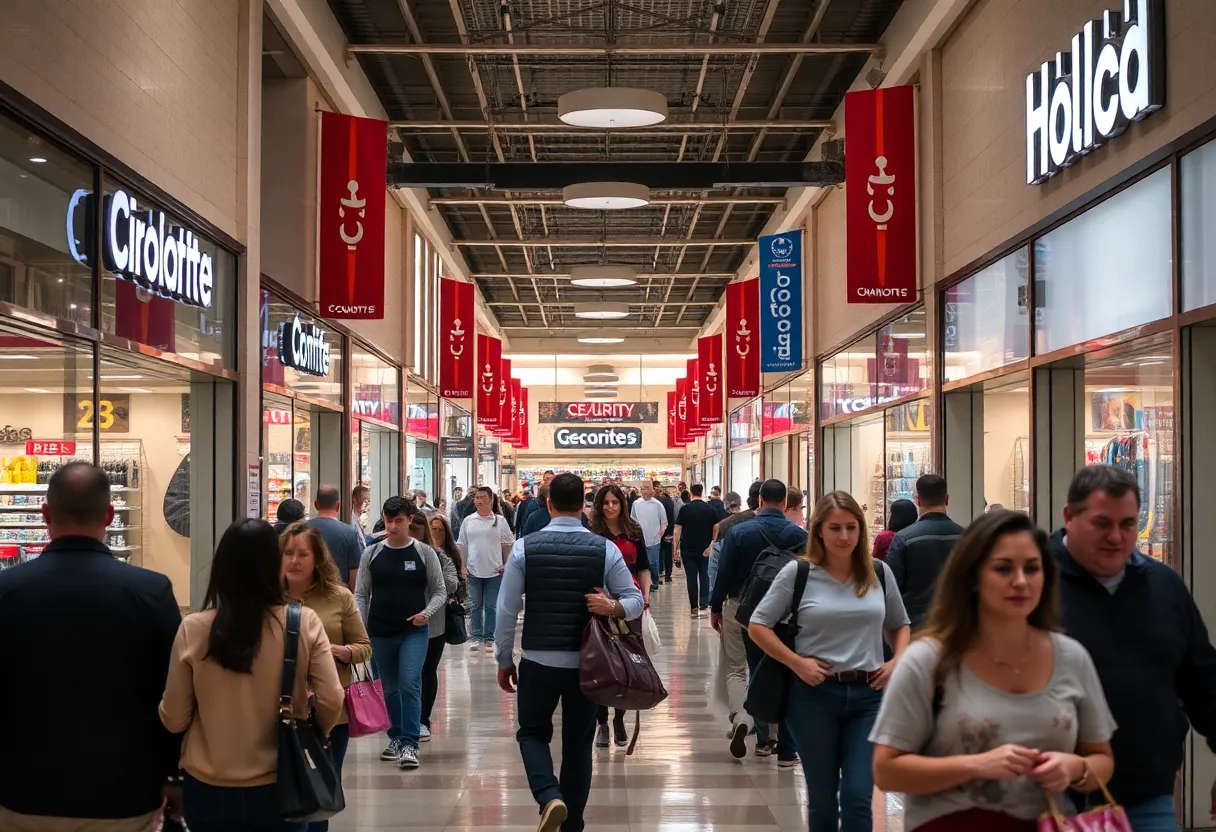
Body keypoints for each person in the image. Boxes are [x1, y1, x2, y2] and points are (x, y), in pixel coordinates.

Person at [871, 510, 1116, 832]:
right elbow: (887, 771)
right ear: (972, 577)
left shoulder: (1071, 657)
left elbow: (1102, 759)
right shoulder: (927, 661)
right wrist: (977, 764)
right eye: (1003, 568)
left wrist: (1076, 768)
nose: (1020, 581)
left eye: (1032, 568)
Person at [0, 462, 183, 831]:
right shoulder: (152, 592)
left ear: (46, 513)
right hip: (123, 791)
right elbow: (173, 694)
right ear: (110, 515)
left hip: (21, 789)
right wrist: (173, 776)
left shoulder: (7, 591)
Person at [1051, 464, 1216, 831]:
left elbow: (1203, 682)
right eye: (1101, 523)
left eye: (1127, 524)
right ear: (1069, 517)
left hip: (1147, 796)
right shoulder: (1033, 584)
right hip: (1051, 801)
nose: (1115, 537)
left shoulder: (1164, 587)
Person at [161, 518, 344, 832]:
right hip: (282, 783)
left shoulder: (194, 629)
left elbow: (174, 717)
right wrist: (319, 731)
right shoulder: (303, 623)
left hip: (208, 787)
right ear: (275, 566)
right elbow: (331, 698)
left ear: (221, 568)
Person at [748, 491, 910, 832]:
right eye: (835, 528)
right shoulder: (799, 573)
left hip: (869, 696)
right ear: (819, 530)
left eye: (852, 527)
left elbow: (899, 624)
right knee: (822, 800)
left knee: (857, 796)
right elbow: (758, 626)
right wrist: (796, 662)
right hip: (813, 697)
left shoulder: (878, 573)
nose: (844, 536)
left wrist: (897, 661)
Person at [495, 473, 645, 832]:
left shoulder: (524, 547)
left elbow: (505, 609)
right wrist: (612, 607)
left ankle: (549, 796)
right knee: (578, 746)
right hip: (589, 665)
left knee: (531, 733)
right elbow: (635, 600)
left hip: (538, 661)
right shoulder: (604, 548)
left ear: (548, 505)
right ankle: (572, 824)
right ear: (585, 507)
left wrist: (504, 658)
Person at [280, 522, 372, 832]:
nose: (294, 560)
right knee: (287, 786)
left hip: (332, 711)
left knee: (321, 783)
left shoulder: (339, 597)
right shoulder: (270, 598)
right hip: (282, 709)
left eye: (303, 554)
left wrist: (343, 651)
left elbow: (364, 647)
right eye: (288, 553)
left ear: (318, 559)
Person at [711, 479, 807, 763]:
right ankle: (785, 744)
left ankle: (757, 731)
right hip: (785, 610)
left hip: (742, 609)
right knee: (783, 667)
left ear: (760, 500)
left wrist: (715, 607)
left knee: (743, 667)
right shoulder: (798, 535)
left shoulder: (739, 531)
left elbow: (724, 574)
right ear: (785, 504)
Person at [354, 497, 449, 770]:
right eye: (388, 520)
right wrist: (361, 624)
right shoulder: (371, 554)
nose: (393, 526)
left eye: (398, 521)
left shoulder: (424, 553)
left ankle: (410, 743)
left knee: (409, 683)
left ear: (410, 519)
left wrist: (426, 614)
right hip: (380, 631)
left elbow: (440, 590)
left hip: (413, 631)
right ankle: (395, 737)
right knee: (390, 689)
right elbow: (361, 593)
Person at [590, 483, 651, 749]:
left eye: (615, 502)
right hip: (600, 602)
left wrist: (646, 598)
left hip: (630, 603)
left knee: (628, 660)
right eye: (606, 503)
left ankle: (619, 717)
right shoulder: (592, 532)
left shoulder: (633, 531)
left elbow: (644, 567)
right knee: (603, 661)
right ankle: (602, 720)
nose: (610, 507)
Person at [886, 475, 965, 629]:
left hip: (916, 626)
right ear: (947, 499)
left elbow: (892, 588)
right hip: (956, 627)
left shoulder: (903, 539)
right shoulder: (966, 537)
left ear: (918, 500)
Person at [410, 513, 459, 741]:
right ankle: (407, 718)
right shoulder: (393, 554)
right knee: (407, 673)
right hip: (403, 624)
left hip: (434, 625)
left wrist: (432, 575)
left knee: (427, 671)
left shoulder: (438, 556)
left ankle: (422, 718)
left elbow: (452, 583)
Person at [458, 486, 516, 653]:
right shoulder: (469, 521)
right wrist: (462, 566)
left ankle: (489, 637)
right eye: (476, 497)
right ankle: (475, 637)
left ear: (491, 499)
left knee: (491, 606)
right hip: (473, 569)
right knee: (475, 605)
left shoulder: (499, 521)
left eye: (483, 497)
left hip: (494, 570)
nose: (479, 500)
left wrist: (506, 564)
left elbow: (507, 544)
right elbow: (462, 545)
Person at [673, 483, 719, 617]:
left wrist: (675, 549)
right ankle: (704, 603)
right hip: (704, 548)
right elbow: (716, 527)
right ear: (702, 492)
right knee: (704, 575)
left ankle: (693, 606)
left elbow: (677, 530)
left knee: (691, 577)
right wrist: (712, 544)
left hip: (687, 548)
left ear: (691, 493)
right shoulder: (710, 509)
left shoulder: (685, 510)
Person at [307, 484, 364, 590]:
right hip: (337, 597)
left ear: (316, 505)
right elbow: (354, 578)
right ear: (337, 506)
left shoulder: (302, 529)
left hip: (306, 597)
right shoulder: (349, 532)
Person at [630, 480, 668, 591]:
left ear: (652, 490)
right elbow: (633, 520)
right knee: (641, 562)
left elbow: (664, 522)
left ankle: (654, 582)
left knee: (654, 562)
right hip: (640, 539)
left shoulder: (657, 504)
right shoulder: (636, 504)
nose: (644, 490)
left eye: (647, 487)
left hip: (654, 539)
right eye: (642, 488)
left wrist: (660, 533)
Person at [654, 480, 676, 584]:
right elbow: (673, 517)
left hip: (656, 531)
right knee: (667, 553)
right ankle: (668, 575)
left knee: (657, 552)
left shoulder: (653, 502)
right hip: (668, 531)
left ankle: (658, 573)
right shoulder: (669, 501)